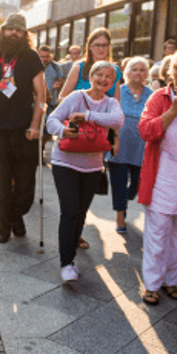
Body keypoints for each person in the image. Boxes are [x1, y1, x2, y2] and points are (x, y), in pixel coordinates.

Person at [0, 13, 46, 243]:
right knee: (2, 183)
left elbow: (41, 94)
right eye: (10, 29)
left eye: (19, 30)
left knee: (25, 186)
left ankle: (15, 215)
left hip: (25, 131)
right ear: (2, 31)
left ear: (25, 34)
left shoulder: (31, 57)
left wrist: (35, 125)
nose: (14, 33)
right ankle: (3, 226)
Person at [47, 61, 124, 281]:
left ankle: (70, 251)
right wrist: (63, 130)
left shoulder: (110, 103)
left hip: (92, 166)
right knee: (70, 211)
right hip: (65, 163)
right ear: (91, 76)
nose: (104, 79)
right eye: (99, 74)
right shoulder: (76, 97)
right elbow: (50, 120)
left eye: (109, 77)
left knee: (81, 212)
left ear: (112, 82)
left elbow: (118, 120)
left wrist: (87, 117)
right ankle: (67, 263)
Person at [59, 27, 122, 250]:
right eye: (97, 45)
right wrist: (78, 105)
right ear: (89, 46)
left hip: (98, 135)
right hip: (77, 132)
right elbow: (62, 96)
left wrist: (116, 138)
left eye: (105, 45)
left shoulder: (115, 70)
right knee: (73, 190)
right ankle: (71, 231)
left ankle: (77, 232)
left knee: (86, 189)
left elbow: (116, 105)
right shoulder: (80, 67)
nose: (101, 49)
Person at [138, 50, 177, 306]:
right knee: (158, 234)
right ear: (170, 71)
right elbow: (145, 130)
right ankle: (152, 284)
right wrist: (175, 109)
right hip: (163, 179)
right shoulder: (160, 97)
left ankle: (172, 280)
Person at [108, 57, 152, 234]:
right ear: (127, 72)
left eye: (142, 70)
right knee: (118, 183)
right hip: (119, 145)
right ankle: (120, 216)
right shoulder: (118, 91)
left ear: (146, 74)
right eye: (135, 69)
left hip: (141, 148)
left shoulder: (152, 93)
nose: (138, 73)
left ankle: (124, 200)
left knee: (137, 184)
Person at [39, 45, 65, 149]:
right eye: (42, 56)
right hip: (37, 103)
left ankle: (42, 145)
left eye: (46, 56)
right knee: (37, 126)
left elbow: (61, 80)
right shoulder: (33, 66)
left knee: (49, 128)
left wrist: (58, 84)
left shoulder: (55, 66)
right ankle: (37, 150)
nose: (44, 59)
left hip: (51, 103)